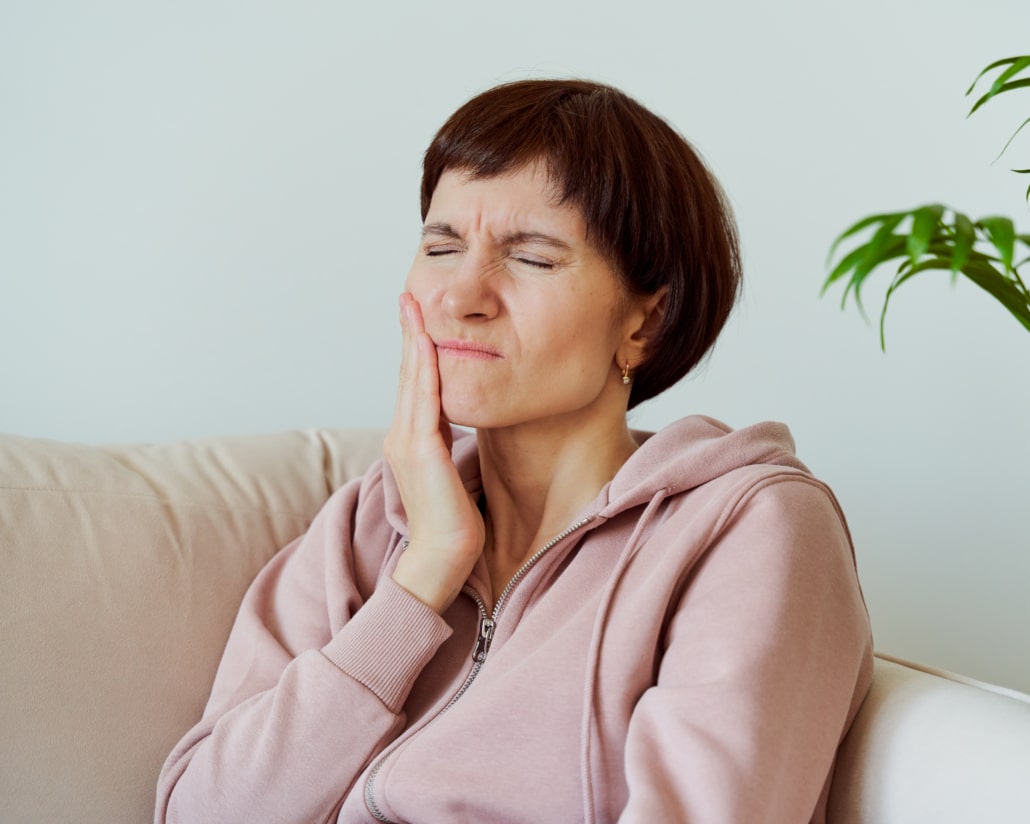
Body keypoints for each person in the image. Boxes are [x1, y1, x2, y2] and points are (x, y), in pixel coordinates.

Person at [155, 79, 873, 823]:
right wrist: (422, 577)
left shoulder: (749, 529)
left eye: (532, 258)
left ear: (646, 325)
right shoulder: (371, 525)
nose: (463, 295)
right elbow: (199, 812)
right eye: (441, 246)